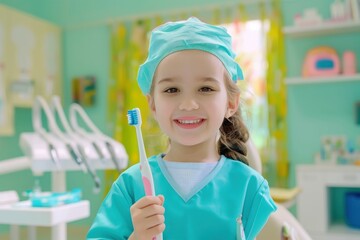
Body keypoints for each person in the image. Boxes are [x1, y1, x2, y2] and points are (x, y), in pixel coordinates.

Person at [87, 17, 277, 240]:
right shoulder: (130, 186)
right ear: (153, 105)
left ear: (231, 103)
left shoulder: (249, 188)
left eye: (205, 88)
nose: (188, 104)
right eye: (172, 90)